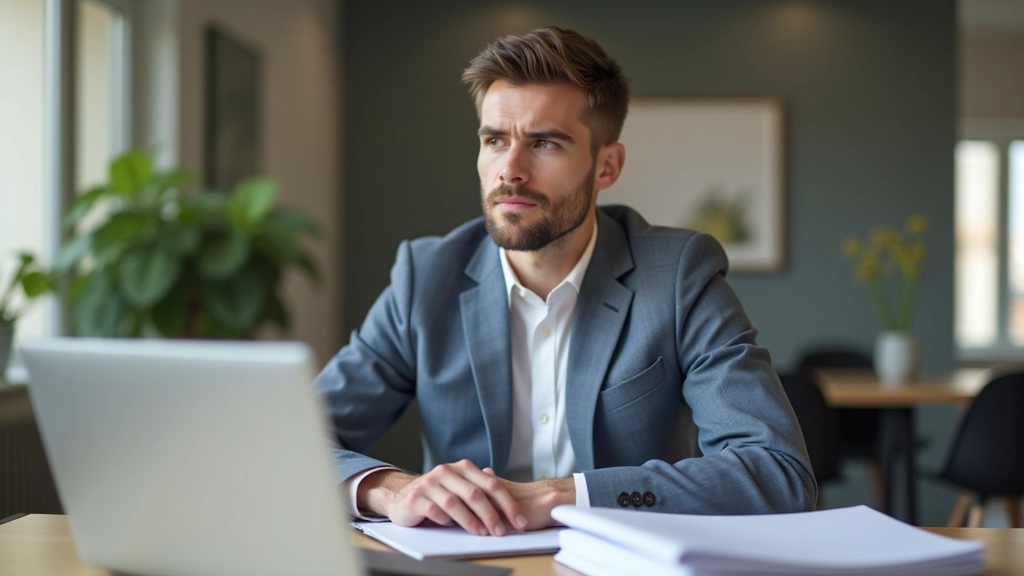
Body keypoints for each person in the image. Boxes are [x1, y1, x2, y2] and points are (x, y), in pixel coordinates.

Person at [316, 26, 815, 537]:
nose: (510, 170)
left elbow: (777, 471)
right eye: (494, 140)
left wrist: (561, 496)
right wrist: (388, 488)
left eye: (545, 143)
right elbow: (289, 438)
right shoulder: (426, 278)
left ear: (607, 166)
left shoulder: (679, 276)